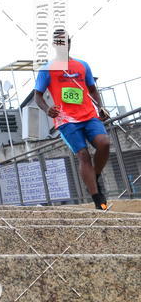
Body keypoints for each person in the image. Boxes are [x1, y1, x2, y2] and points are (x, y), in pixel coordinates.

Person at [34, 29, 111, 211]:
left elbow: (92, 89)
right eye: (58, 42)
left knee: (105, 143)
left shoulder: (83, 65)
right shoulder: (47, 69)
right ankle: (97, 198)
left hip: (89, 115)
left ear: (69, 43)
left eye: (65, 41)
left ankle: (96, 175)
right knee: (83, 155)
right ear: (54, 45)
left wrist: (100, 106)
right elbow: (37, 95)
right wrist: (47, 109)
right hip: (66, 120)